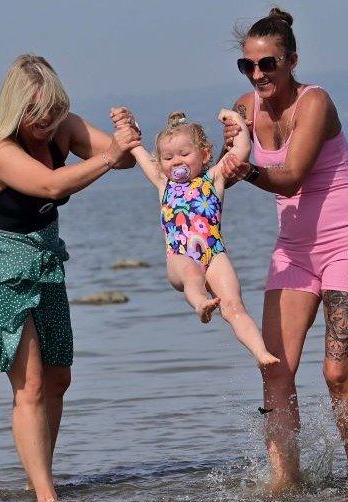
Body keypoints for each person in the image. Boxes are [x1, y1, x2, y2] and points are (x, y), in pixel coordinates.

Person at [0, 54, 140, 502]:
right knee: (29, 382)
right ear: (16, 110)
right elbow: (53, 185)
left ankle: (39, 480)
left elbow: (120, 160)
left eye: (54, 114)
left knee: (58, 377)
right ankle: (47, 501)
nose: (49, 126)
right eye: (39, 117)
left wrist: (125, 141)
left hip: (43, 257)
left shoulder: (63, 126)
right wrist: (111, 156)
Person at [220, 8, 348, 490]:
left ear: (291, 60)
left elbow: (290, 178)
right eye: (248, 66)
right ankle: (283, 483)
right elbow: (218, 171)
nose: (257, 75)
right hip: (293, 254)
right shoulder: (243, 108)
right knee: (275, 370)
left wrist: (243, 169)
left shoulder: (316, 103)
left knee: (336, 373)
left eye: (267, 64)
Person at [109, 106, 280, 368]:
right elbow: (135, 147)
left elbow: (241, 150)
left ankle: (260, 353)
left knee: (234, 305)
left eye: (184, 154)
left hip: (214, 253)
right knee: (192, 275)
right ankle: (201, 304)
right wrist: (125, 124)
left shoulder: (214, 179)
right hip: (179, 256)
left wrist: (234, 119)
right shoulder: (163, 183)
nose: (176, 161)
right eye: (167, 157)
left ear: (205, 154)